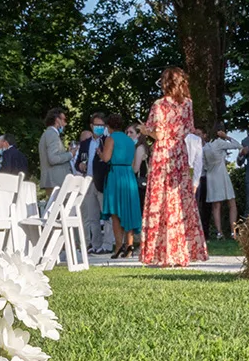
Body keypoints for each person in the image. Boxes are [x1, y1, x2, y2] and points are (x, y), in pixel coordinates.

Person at [138, 67, 208, 267]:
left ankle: (162, 253)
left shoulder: (159, 105)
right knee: (180, 201)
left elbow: (159, 135)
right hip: (179, 153)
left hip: (163, 155)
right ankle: (181, 251)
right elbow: (189, 129)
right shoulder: (188, 104)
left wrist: (145, 130)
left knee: (161, 200)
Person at [99, 114, 142, 258]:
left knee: (115, 212)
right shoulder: (129, 140)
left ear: (108, 126)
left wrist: (100, 153)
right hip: (128, 175)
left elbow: (106, 158)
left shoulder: (111, 138)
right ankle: (129, 245)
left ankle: (118, 246)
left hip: (116, 175)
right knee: (128, 209)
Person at [77, 111, 113, 254]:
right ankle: (96, 244)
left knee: (106, 215)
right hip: (88, 180)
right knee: (92, 216)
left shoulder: (107, 141)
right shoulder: (85, 143)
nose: (99, 128)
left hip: (103, 181)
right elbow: (79, 161)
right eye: (97, 125)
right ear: (91, 126)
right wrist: (80, 165)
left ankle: (108, 244)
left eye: (102, 126)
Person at [203, 125, 242, 240]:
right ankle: (233, 232)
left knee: (216, 205)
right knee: (231, 203)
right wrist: (227, 137)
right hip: (222, 175)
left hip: (211, 177)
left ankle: (219, 233)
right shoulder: (219, 143)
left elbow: (204, 166)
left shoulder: (205, 147)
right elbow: (237, 145)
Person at [38, 108, 72, 197]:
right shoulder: (52, 134)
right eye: (64, 120)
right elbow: (53, 159)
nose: (65, 124)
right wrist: (70, 154)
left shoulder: (47, 134)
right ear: (57, 120)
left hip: (52, 181)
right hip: (55, 182)